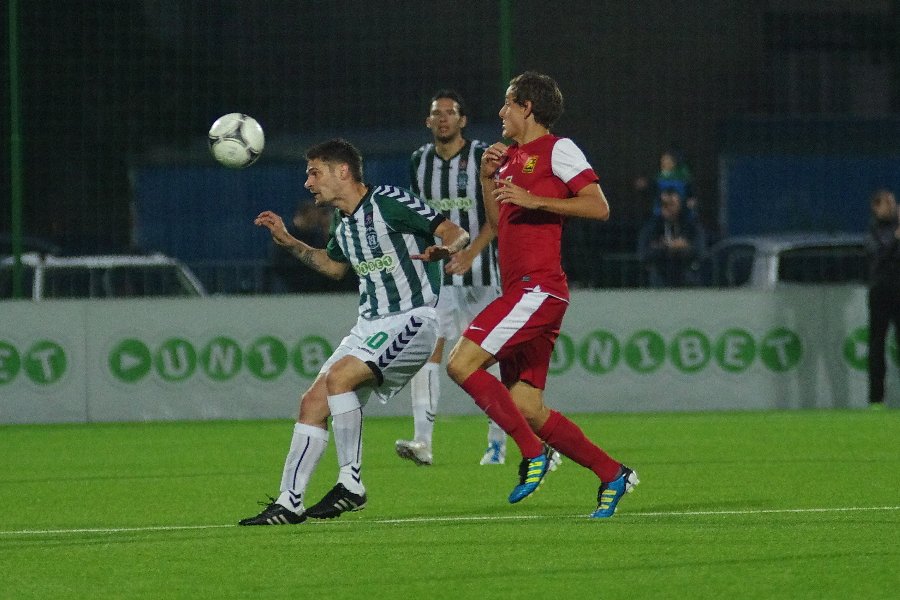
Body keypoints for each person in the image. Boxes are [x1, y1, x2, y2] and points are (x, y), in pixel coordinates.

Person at [240, 138, 469, 525]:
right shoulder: (342, 223)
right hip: (369, 326)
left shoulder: (389, 201)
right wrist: (289, 241)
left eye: (314, 173)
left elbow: (454, 231)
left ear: (342, 171)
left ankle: (351, 483)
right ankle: (289, 501)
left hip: (414, 319)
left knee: (340, 378)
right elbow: (334, 267)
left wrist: (447, 248)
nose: (308, 183)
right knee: (312, 403)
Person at [445, 71, 639, 518]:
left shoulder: (558, 149)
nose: (501, 112)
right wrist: (486, 178)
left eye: (508, 104)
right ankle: (613, 474)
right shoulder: (510, 158)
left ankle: (535, 454)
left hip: (539, 289)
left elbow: (599, 206)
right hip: (520, 290)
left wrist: (538, 201)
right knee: (526, 406)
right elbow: (500, 225)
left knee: (460, 363)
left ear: (527, 107)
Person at [394, 89, 510, 467]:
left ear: (462, 120)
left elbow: (496, 217)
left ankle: (497, 442)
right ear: (428, 121)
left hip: (481, 273)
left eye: (450, 112)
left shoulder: (481, 156)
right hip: (438, 276)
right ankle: (422, 443)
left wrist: (470, 253)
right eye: (436, 113)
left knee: (489, 357)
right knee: (428, 349)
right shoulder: (419, 161)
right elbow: (419, 217)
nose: (443, 118)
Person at [865, 188, 900, 410]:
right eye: (887, 203)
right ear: (876, 208)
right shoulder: (874, 232)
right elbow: (879, 257)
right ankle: (876, 399)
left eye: (893, 203)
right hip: (880, 293)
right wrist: (896, 239)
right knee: (877, 345)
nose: (892, 207)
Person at [637, 184, 707, 287]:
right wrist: (665, 247)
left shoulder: (692, 226)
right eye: (664, 204)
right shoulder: (652, 227)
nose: (667, 208)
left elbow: (700, 251)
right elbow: (643, 253)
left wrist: (684, 247)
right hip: (660, 279)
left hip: (687, 278)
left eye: (672, 204)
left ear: (680, 205)